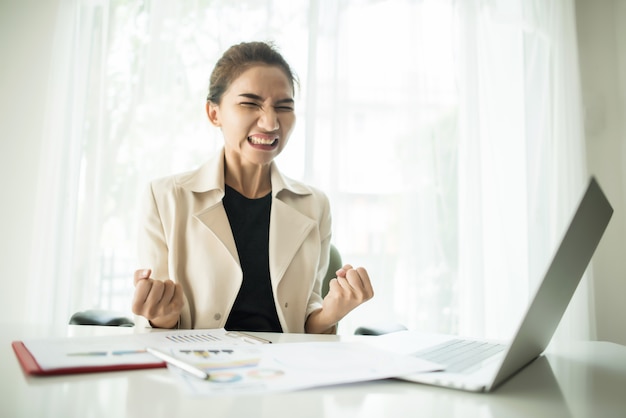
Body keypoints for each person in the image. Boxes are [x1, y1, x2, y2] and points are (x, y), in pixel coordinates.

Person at [131, 41, 373, 334]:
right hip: (202, 367)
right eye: (250, 103)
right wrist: (161, 315)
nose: (271, 123)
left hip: (286, 370)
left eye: (284, 106)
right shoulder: (165, 198)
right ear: (214, 113)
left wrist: (332, 312)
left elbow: (307, 320)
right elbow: (161, 320)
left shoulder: (314, 205)